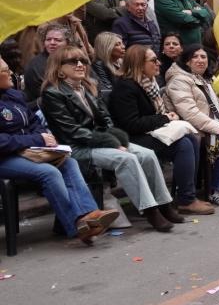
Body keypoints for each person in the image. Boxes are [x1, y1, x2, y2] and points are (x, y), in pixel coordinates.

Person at [39, 46, 178, 232]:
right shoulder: (52, 93)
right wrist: (112, 143)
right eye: (73, 61)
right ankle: (150, 211)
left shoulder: (87, 87)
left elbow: (105, 119)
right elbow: (73, 132)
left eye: (83, 61)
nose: (80, 65)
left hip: (100, 140)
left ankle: (164, 205)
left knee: (147, 154)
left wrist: (116, 139)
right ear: (59, 67)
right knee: (126, 159)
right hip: (78, 147)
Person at [0, 56, 119, 245]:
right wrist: (36, 139)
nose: (11, 74)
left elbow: (33, 122)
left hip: (29, 151)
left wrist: (44, 138)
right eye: (5, 71)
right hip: (5, 158)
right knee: (48, 172)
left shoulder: (14, 95)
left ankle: (90, 214)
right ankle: (77, 225)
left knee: (68, 161)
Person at [109, 45, 213, 216]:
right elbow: (131, 124)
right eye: (153, 60)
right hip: (132, 138)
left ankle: (187, 195)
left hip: (150, 132)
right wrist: (164, 119)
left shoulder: (149, 84)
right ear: (139, 64)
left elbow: (152, 115)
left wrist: (165, 117)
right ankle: (186, 200)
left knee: (190, 139)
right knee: (183, 145)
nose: (158, 63)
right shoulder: (126, 88)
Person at [165, 44, 219, 206]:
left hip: (218, 124)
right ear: (187, 61)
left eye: (203, 57)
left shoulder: (208, 79)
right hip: (198, 131)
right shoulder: (178, 81)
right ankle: (217, 190)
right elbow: (190, 113)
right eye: (195, 57)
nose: (200, 60)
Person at [23, 23, 69, 106]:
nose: (52, 43)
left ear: (67, 43)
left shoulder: (73, 58)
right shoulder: (36, 65)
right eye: (48, 39)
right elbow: (49, 95)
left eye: (57, 40)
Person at [90, 32, 124, 99]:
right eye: (117, 44)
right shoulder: (99, 65)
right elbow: (108, 90)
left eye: (122, 43)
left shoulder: (122, 62)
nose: (123, 46)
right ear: (107, 48)